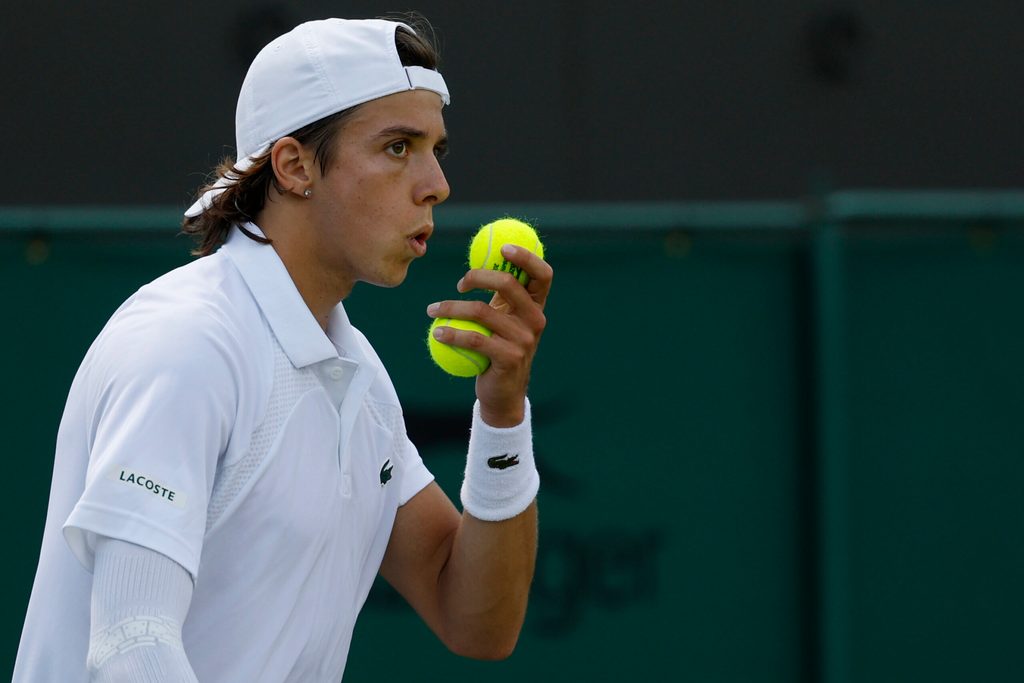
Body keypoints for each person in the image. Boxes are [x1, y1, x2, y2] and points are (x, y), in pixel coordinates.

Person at [14, 16, 551, 682]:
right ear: (295, 166)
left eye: (437, 148)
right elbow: (132, 637)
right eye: (397, 147)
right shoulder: (186, 343)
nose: (435, 183)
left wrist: (503, 412)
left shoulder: (359, 381)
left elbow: (477, 618)